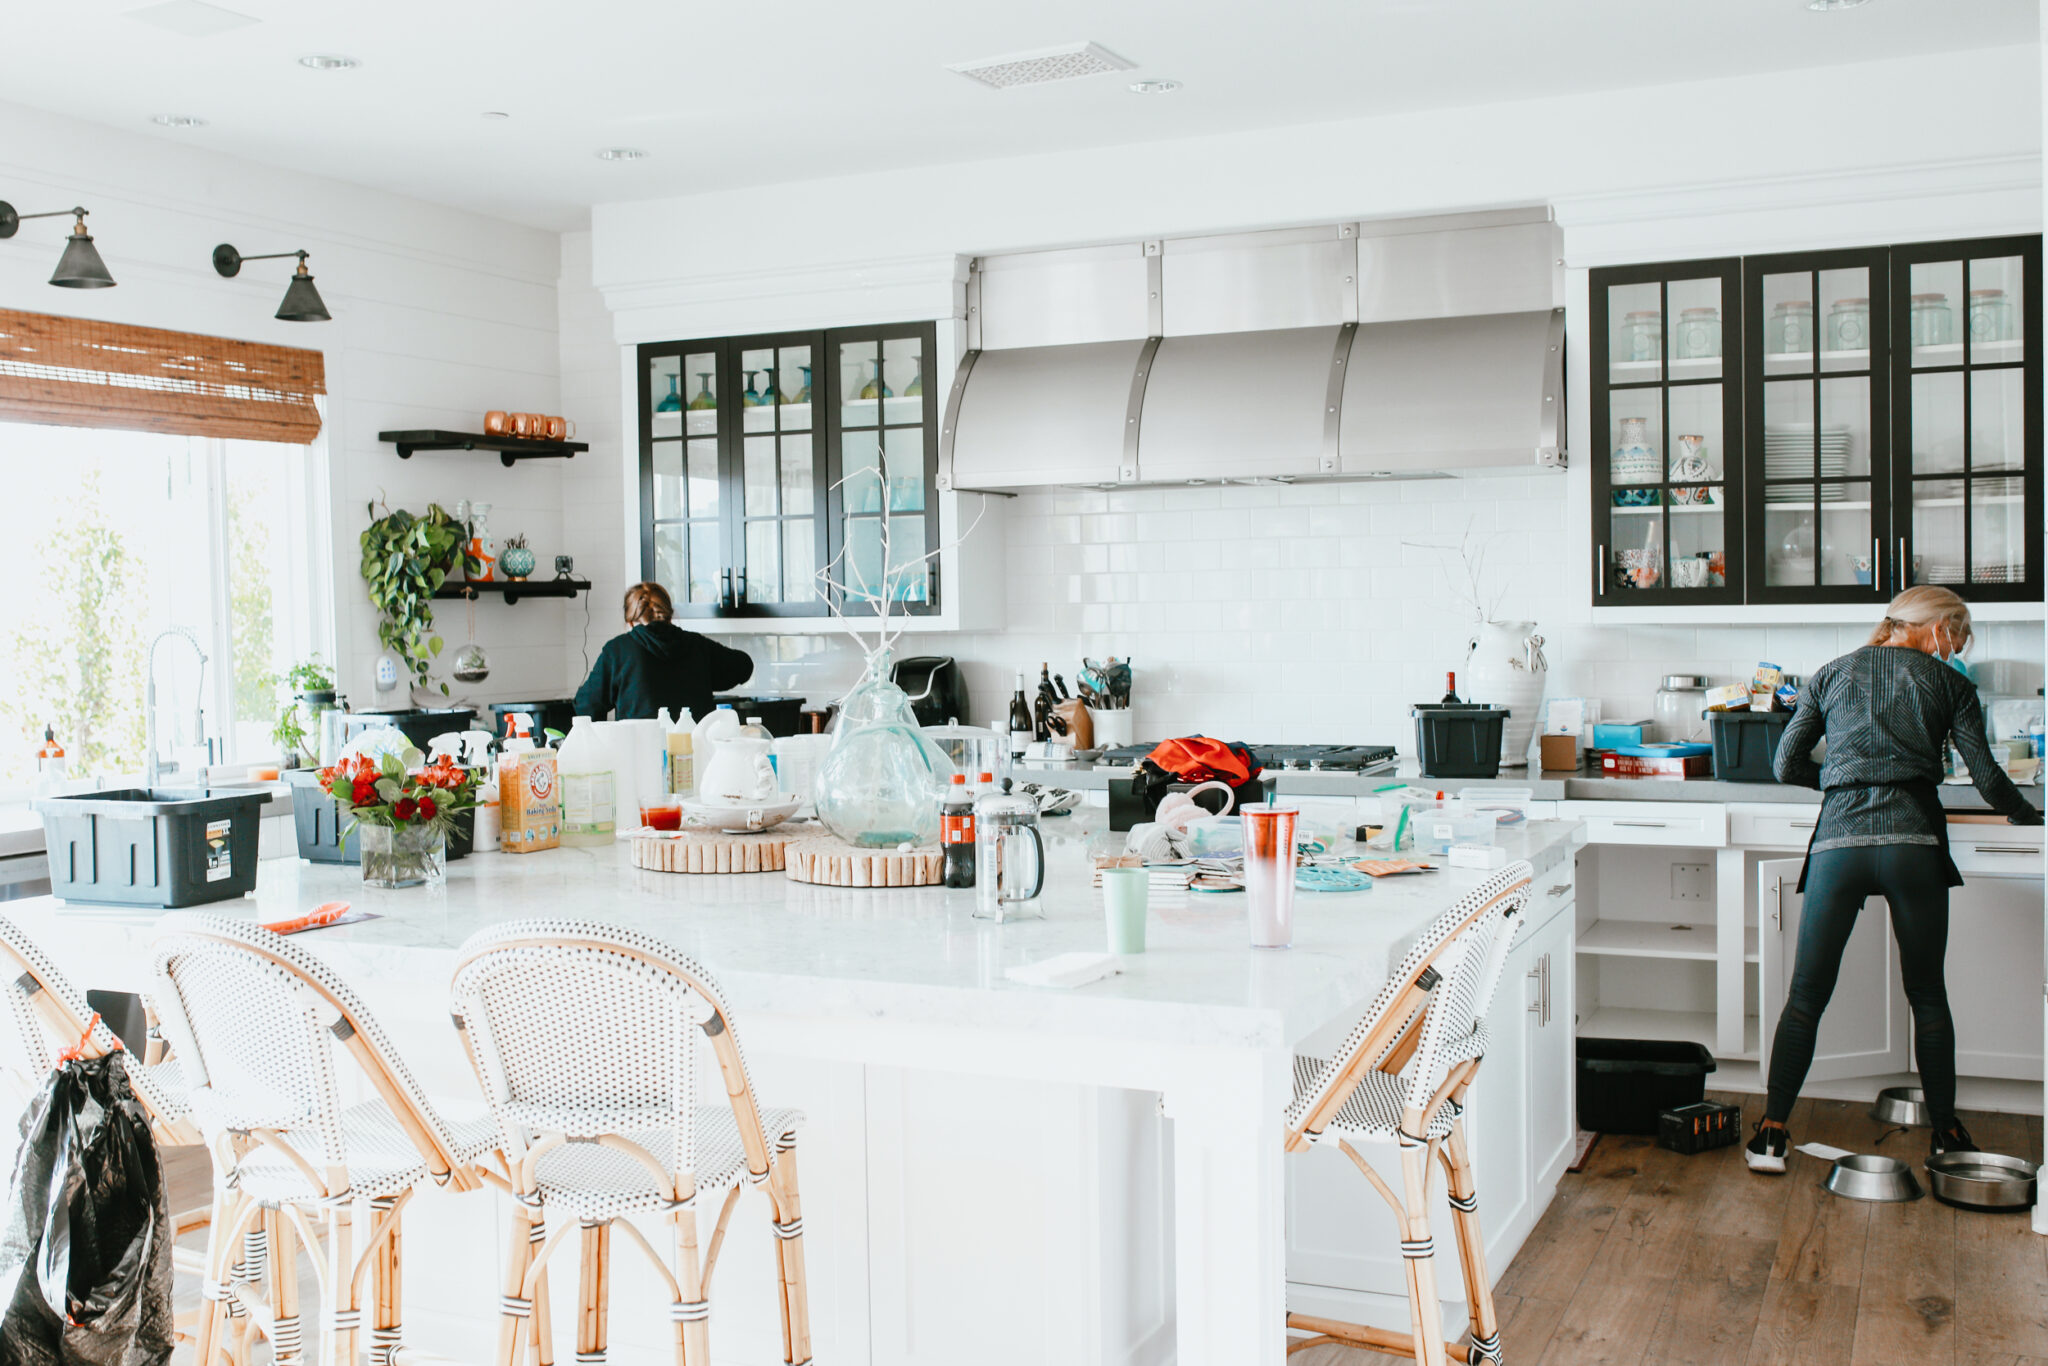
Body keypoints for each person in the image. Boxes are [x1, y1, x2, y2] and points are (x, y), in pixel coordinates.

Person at [1746, 586, 2041, 1174]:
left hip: (1839, 846)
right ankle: (1948, 1134)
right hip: (1914, 846)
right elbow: (1985, 774)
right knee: (1927, 993)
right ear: (1933, 626)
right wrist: (2030, 817)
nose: (1954, 651)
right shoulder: (1950, 685)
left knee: (1806, 996)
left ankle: (1772, 1135)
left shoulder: (1830, 673)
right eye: (1955, 637)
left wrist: (1838, 781)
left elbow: (1783, 764)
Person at [572, 582, 755, 723]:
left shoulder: (618, 651)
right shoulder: (697, 645)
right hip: (695, 754)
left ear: (630, 621)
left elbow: (586, 705)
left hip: (639, 756)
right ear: (670, 615)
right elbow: (744, 666)